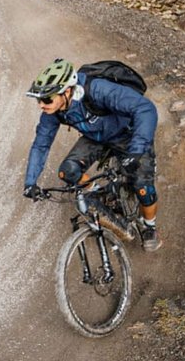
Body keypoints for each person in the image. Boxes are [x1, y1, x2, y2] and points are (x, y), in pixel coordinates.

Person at [22, 58, 161, 251]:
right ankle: (98, 192)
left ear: (67, 91)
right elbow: (41, 144)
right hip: (96, 137)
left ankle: (150, 226)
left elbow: (145, 109)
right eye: (39, 99)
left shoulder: (97, 90)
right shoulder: (53, 111)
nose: (41, 105)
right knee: (68, 172)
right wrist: (30, 183)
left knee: (143, 187)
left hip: (127, 135)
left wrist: (136, 151)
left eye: (46, 99)